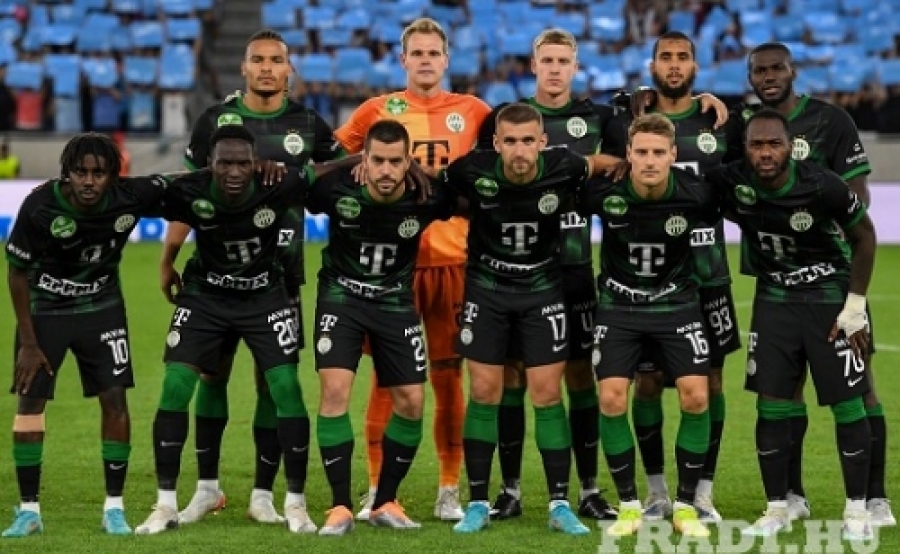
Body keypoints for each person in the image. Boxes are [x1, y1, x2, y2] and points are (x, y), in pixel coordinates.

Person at [160, 28, 344, 525]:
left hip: (281, 274)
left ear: (289, 70)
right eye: (257, 59)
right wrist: (169, 254)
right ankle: (207, 489)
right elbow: (188, 192)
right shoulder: (213, 121)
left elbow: (338, 179)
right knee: (211, 375)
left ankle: (263, 494)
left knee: (272, 381)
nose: (266, 68)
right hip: (215, 274)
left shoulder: (309, 124)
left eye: (275, 60)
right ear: (243, 68)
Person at [135, 124, 354, 535]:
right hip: (205, 296)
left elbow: (326, 168)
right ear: (209, 164)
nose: (234, 172)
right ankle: (165, 505)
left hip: (264, 296)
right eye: (224, 164)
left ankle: (294, 503)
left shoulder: (277, 182)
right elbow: (134, 193)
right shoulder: (190, 190)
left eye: (242, 163)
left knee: (285, 386)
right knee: (176, 384)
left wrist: (368, 158)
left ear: (255, 163)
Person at [334, 17, 492, 522]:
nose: (425, 60)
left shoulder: (474, 112)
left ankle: (448, 488)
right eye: (416, 53)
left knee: (448, 379)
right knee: (387, 381)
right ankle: (377, 488)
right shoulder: (376, 111)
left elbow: (512, 149)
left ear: (446, 59)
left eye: (433, 53)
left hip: (453, 263)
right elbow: (333, 160)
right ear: (402, 60)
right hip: (391, 269)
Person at [446, 102, 621, 535]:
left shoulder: (564, 165)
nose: (520, 150)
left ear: (543, 142)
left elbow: (597, 163)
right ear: (496, 143)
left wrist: (628, 165)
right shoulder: (472, 169)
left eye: (528, 141)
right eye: (510, 141)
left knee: (546, 394)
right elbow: (435, 183)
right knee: (484, 391)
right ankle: (478, 503)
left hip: (542, 289)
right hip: (487, 289)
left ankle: (559, 504)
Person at [706, 108, 877, 541]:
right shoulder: (732, 181)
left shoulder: (822, 184)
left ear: (791, 147)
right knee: (771, 403)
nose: (765, 153)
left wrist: (855, 306)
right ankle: (778, 507)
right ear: (745, 149)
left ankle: (857, 510)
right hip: (774, 301)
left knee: (847, 402)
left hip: (828, 301)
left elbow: (865, 237)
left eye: (774, 144)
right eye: (756, 145)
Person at [746, 42, 892, 527]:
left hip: (834, 280)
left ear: (793, 71)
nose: (769, 77)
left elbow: (858, 195)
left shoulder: (831, 120)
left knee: (860, 389)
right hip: (775, 284)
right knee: (782, 393)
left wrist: (812, 220)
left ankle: (874, 499)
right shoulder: (746, 127)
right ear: (750, 77)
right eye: (760, 71)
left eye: (777, 69)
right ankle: (790, 497)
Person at [601, 31, 744, 523]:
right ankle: (656, 491)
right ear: (653, 65)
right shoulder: (626, 115)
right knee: (645, 382)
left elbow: (743, 174)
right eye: (666, 57)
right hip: (647, 278)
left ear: (696, 66)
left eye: (683, 57)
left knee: (710, 383)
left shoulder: (719, 118)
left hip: (708, 274)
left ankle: (701, 492)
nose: (675, 65)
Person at [3, 134, 171, 537]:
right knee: (30, 403)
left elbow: (186, 182)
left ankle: (114, 509)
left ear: (114, 174)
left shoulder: (130, 196)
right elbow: (16, 272)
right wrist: (28, 342)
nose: (89, 181)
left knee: (115, 401)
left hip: (102, 308)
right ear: (68, 173)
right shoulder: (40, 205)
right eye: (81, 172)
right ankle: (29, 511)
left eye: (99, 173)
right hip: (46, 311)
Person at [310, 120, 460, 535]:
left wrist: (428, 173)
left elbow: (470, 195)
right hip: (342, 297)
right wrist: (344, 163)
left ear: (408, 161)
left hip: (394, 301)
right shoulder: (337, 189)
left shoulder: (427, 195)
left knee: (411, 401)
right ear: (365, 159)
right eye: (377, 160)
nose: (386, 170)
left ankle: (385, 502)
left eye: (395, 162)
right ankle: (340, 507)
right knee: (335, 392)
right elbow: (295, 182)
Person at [581, 113, 719, 538]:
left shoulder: (696, 193)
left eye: (659, 152)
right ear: (629, 154)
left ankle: (685, 507)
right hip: (619, 307)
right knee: (611, 399)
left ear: (673, 155)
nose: (650, 160)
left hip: (677, 305)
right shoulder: (604, 193)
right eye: (641, 152)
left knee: (696, 397)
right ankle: (629, 507)